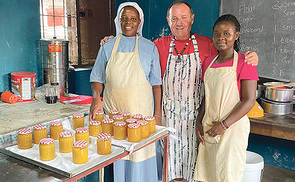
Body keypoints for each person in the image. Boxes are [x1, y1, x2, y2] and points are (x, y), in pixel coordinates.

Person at [100, 1, 259, 181]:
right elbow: (134, 46)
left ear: (192, 19)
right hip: (169, 118)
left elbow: (229, 53)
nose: (179, 23)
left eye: (184, 17)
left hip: (196, 120)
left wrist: (251, 56)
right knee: (169, 166)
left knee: (196, 169)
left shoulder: (208, 44)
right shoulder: (157, 45)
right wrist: (112, 41)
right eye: (174, 18)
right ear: (168, 21)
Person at [89, 2, 162, 182]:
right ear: (118, 21)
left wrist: (157, 114)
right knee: (118, 156)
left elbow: (156, 85)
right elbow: (97, 78)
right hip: (114, 116)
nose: (128, 22)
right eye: (124, 19)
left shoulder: (150, 47)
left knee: (141, 156)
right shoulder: (107, 46)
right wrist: (96, 99)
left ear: (139, 22)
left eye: (133, 19)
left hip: (141, 115)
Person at [193, 14, 258, 182]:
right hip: (209, 127)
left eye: (226, 33)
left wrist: (223, 125)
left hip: (232, 130)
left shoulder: (245, 62)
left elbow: (249, 100)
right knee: (206, 175)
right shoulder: (208, 62)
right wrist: (199, 122)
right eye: (216, 33)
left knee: (227, 175)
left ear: (236, 35)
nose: (221, 38)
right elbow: (208, 95)